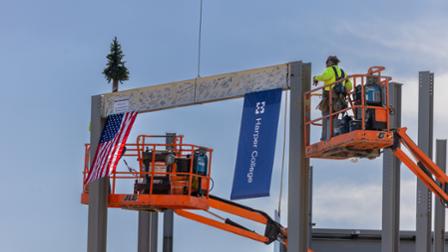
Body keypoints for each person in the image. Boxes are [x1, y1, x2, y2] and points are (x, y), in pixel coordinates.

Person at [313, 56, 353, 140]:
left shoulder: (330, 70)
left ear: (330, 62)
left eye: (327, 62)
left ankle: (325, 138)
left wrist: (316, 78)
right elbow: (349, 86)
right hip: (339, 100)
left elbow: (325, 77)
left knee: (326, 116)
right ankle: (333, 135)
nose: (326, 64)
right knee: (334, 116)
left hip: (329, 98)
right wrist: (344, 90)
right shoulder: (343, 72)